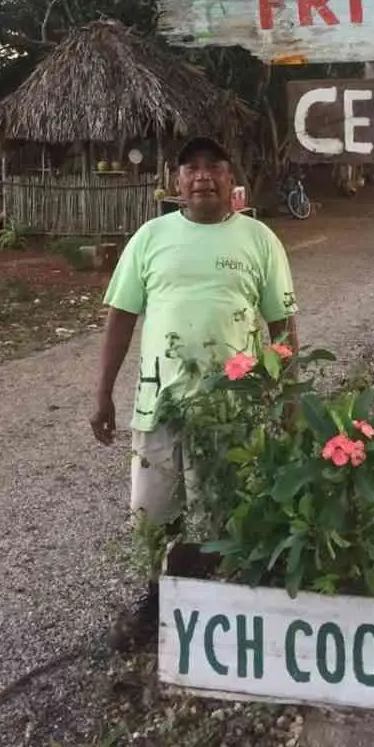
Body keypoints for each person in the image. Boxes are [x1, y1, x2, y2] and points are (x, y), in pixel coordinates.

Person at [90, 135, 298, 650]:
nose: (203, 176)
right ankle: (158, 603)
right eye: (192, 169)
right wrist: (103, 393)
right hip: (159, 405)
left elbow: (283, 325)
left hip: (233, 408)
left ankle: (229, 614)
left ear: (232, 181)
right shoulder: (150, 237)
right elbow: (120, 318)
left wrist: (288, 396)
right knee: (154, 512)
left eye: (214, 167)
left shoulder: (259, 239)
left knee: (227, 510)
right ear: (176, 182)